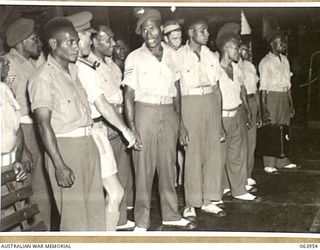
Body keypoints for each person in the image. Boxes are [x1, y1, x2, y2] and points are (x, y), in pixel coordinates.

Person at [28, 17, 105, 231]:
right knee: (76, 220)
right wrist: (59, 165)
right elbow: (43, 125)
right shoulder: (42, 78)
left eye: (76, 41)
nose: (76, 46)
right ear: (53, 44)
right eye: (70, 42)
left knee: (96, 215)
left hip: (88, 145)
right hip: (65, 150)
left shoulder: (73, 72)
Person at [123, 8, 195, 231]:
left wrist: (180, 122)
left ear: (161, 28)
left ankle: (171, 215)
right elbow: (128, 95)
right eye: (144, 30)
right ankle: (141, 222)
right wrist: (132, 128)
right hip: (144, 111)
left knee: (169, 166)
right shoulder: (134, 57)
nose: (148, 33)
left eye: (152, 28)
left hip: (168, 112)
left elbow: (176, 88)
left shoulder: (172, 55)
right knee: (143, 169)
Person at [66, 11, 136, 231]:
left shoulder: (84, 67)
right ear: (78, 37)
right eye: (88, 36)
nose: (89, 40)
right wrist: (125, 130)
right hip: (88, 133)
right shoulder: (81, 69)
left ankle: (107, 238)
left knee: (115, 192)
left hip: (96, 131)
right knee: (100, 196)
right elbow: (102, 103)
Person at [177, 18, 226, 221]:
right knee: (193, 155)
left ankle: (208, 200)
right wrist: (180, 121)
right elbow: (176, 91)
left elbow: (217, 89)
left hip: (210, 103)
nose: (207, 34)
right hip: (190, 103)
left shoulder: (211, 55)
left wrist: (220, 120)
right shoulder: (178, 55)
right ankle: (190, 203)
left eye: (207, 30)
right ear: (190, 32)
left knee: (212, 154)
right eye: (202, 31)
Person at [4, 17, 52, 228]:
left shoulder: (32, 63)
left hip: (37, 129)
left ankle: (44, 234)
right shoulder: (8, 65)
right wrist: (21, 150)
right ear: (22, 41)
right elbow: (7, 113)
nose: (38, 43)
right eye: (34, 39)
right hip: (22, 132)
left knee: (41, 191)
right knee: (21, 190)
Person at [217, 32, 261, 202]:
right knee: (220, 157)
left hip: (237, 114)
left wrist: (248, 110)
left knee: (237, 155)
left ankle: (239, 190)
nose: (239, 51)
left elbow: (242, 89)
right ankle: (218, 192)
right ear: (226, 48)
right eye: (236, 47)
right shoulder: (215, 69)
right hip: (222, 116)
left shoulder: (236, 68)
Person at [259, 30, 299, 174]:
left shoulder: (285, 60)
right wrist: (264, 109)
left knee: (284, 128)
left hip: (283, 96)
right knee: (272, 129)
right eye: (280, 43)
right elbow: (263, 88)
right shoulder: (266, 62)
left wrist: (291, 104)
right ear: (272, 44)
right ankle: (269, 163)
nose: (283, 45)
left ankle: (282, 160)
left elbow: (288, 85)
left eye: (284, 43)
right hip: (272, 97)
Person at [1, 55, 28, 231]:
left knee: (17, 221)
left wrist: (18, 159)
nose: (7, 63)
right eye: (2, 61)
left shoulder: (4, 89)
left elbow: (17, 129)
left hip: (12, 167)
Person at [163, 19, 184, 187]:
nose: (178, 41)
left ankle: (182, 178)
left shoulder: (184, 52)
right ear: (166, 39)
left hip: (186, 100)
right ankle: (172, 179)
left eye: (179, 37)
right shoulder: (164, 54)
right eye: (174, 38)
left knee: (183, 144)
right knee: (171, 146)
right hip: (171, 102)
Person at [238, 42, 261, 187]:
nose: (248, 52)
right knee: (242, 143)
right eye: (246, 49)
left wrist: (258, 110)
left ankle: (248, 174)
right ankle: (240, 177)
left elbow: (255, 89)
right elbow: (242, 91)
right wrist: (247, 110)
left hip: (252, 101)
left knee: (251, 142)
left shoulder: (250, 66)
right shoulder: (235, 66)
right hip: (242, 104)